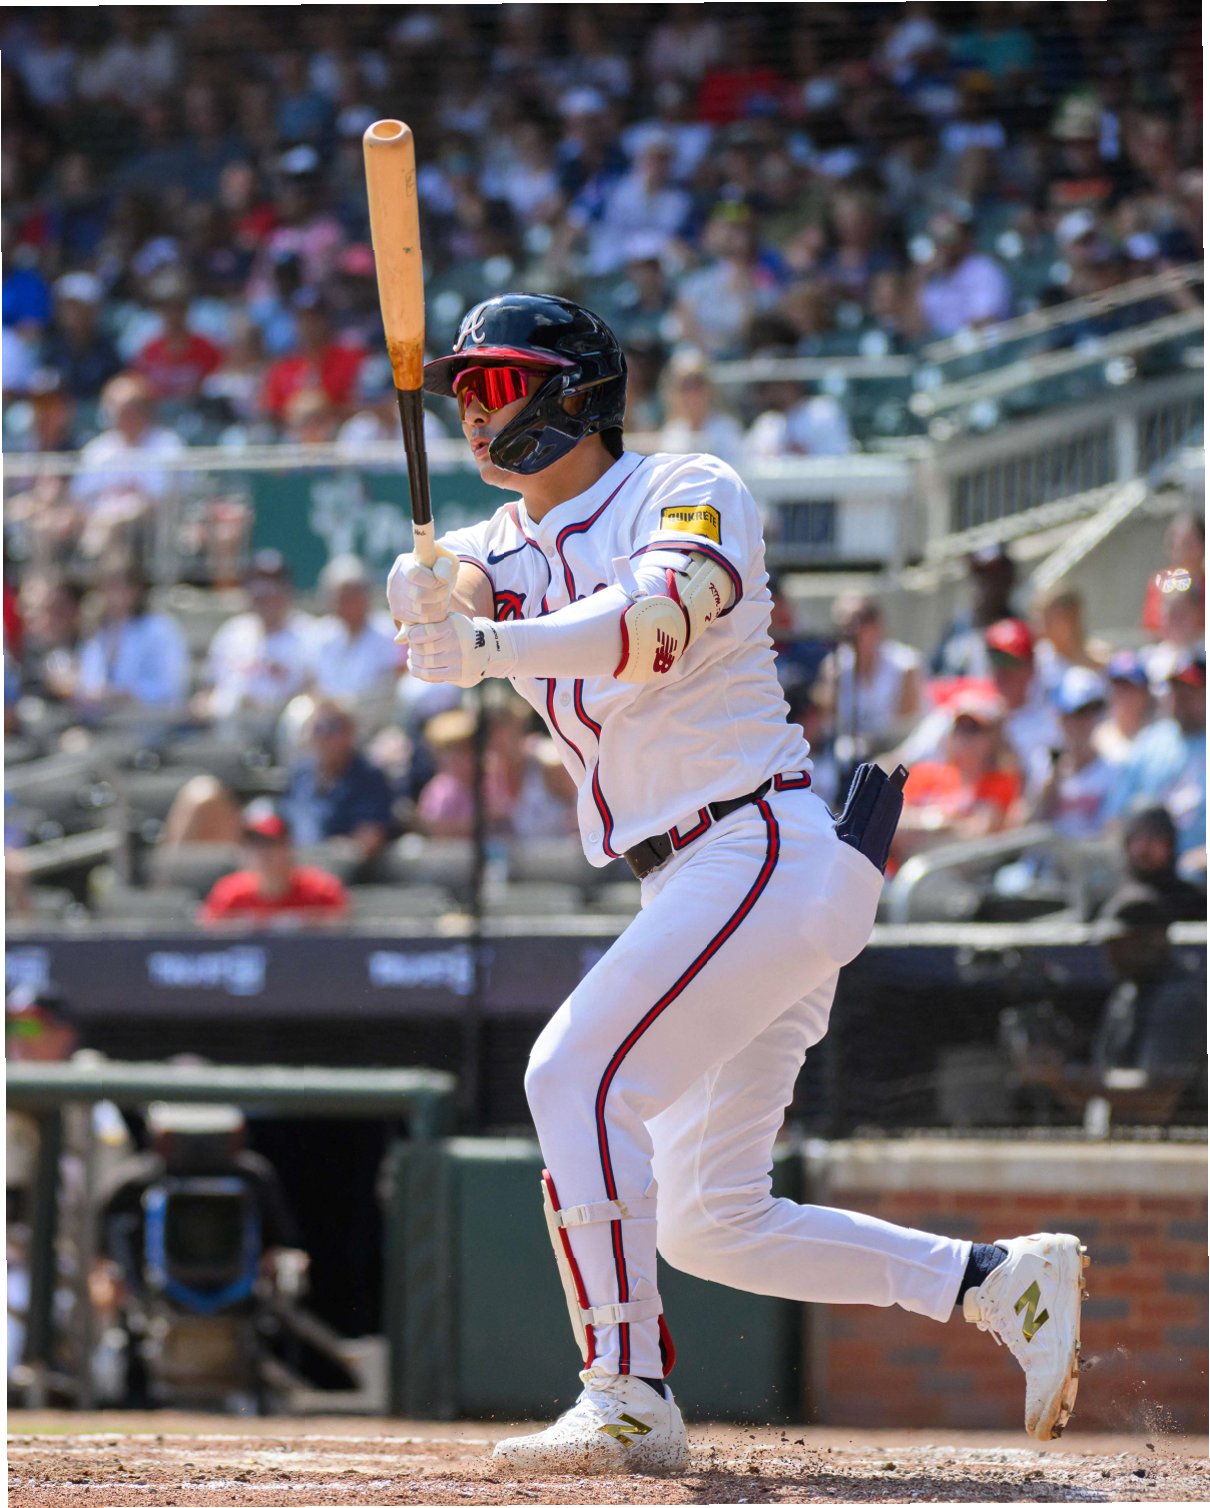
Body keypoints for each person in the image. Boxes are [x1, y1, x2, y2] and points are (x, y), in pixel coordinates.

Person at [386, 291, 1088, 1472]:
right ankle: (992, 1280)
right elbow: (455, 578)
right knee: (710, 1217)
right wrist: (419, 590)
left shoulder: (686, 485)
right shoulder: (502, 543)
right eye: (463, 389)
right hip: (699, 886)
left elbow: (653, 623)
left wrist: (487, 644)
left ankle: (624, 1389)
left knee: (573, 1073)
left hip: (756, 844)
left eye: (496, 384)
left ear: (573, 393)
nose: (472, 410)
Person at [1106, 648, 1206, 871]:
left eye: (1191, 690)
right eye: (1176, 689)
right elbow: (1116, 817)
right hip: (1149, 871)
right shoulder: (1151, 741)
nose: (1181, 698)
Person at [198, 801, 348, 927]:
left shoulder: (322, 892)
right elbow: (211, 944)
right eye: (253, 843)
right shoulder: (229, 895)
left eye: (268, 842)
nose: (261, 852)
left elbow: (341, 945)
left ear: (288, 845)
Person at [1028, 667, 1114, 841]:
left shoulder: (1113, 769)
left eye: (1092, 711)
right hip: (1047, 854)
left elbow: (1111, 832)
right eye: (1076, 713)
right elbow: (1030, 824)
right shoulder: (1043, 761)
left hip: (1091, 854)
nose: (1084, 721)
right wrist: (1052, 781)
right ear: (1060, 717)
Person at [1118, 806, 1205, 924]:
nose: (1143, 848)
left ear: (1169, 841)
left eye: (1152, 836)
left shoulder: (1195, 902)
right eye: (1136, 837)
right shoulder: (1110, 898)